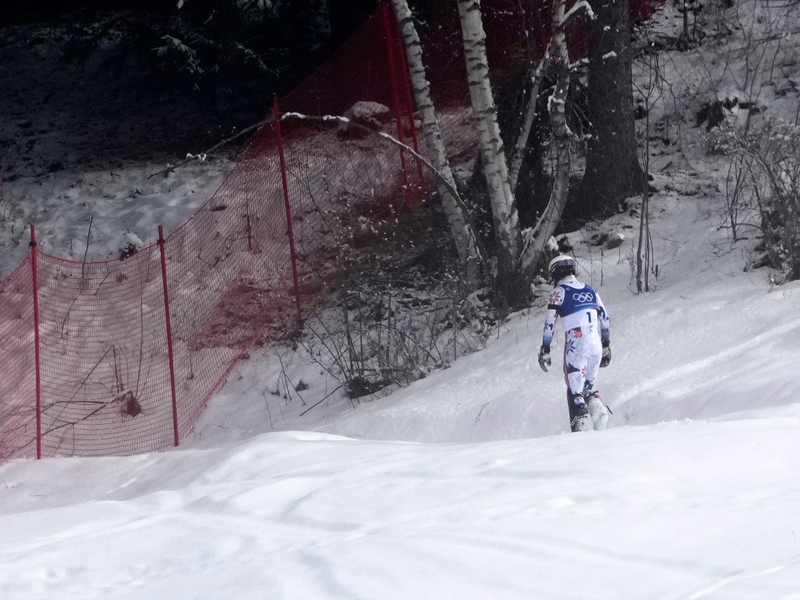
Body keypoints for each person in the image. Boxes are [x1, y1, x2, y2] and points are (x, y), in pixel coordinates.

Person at [538, 255, 611, 432]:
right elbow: (605, 318)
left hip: (576, 343)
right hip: (595, 343)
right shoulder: (590, 290)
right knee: (587, 388)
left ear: (555, 273)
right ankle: (597, 409)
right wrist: (606, 345)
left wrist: (545, 349)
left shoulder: (559, 292)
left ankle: (582, 423)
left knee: (574, 390)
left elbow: (550, 324)